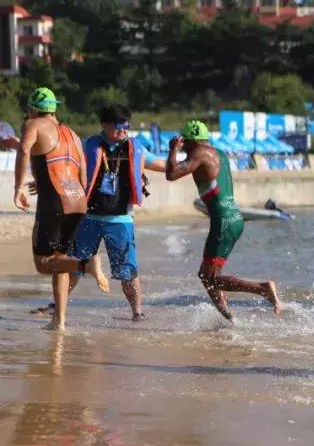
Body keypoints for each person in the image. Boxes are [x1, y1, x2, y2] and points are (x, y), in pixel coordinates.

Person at [165, 119, 281, 321]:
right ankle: (229, 318)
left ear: (190, 140)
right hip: (234, 218)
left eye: (184, 142)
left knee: (210, 278)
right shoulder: (220, 153)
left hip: (223, 222)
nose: (183, 146)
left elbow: (171, 174)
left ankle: (263, 289)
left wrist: (172, 151)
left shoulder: (198, 154)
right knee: (207, 276)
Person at [13, 87, 107, 330]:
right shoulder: (73, 134)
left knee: (44, 263)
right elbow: (81, 174)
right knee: (60, 261)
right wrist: (47, 183)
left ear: (33, 108)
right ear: (54, 108)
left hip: (54, 201)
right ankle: (60, 321)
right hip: (78, 201)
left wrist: (19, 187)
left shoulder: (32, 124)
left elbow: (24, 149)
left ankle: (86, 265)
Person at [62, 104, 166, 320]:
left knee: (127, 272)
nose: (123, 131)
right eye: (118, 126)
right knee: (74, 265)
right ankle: (57, 305)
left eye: (126, 126)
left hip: (120, 220)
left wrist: (187, 164)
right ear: (105, 125)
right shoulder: (89, 146)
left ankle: (137, 312)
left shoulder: (136, 149)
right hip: (88, 218)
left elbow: (165, 166)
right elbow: (65, 166)